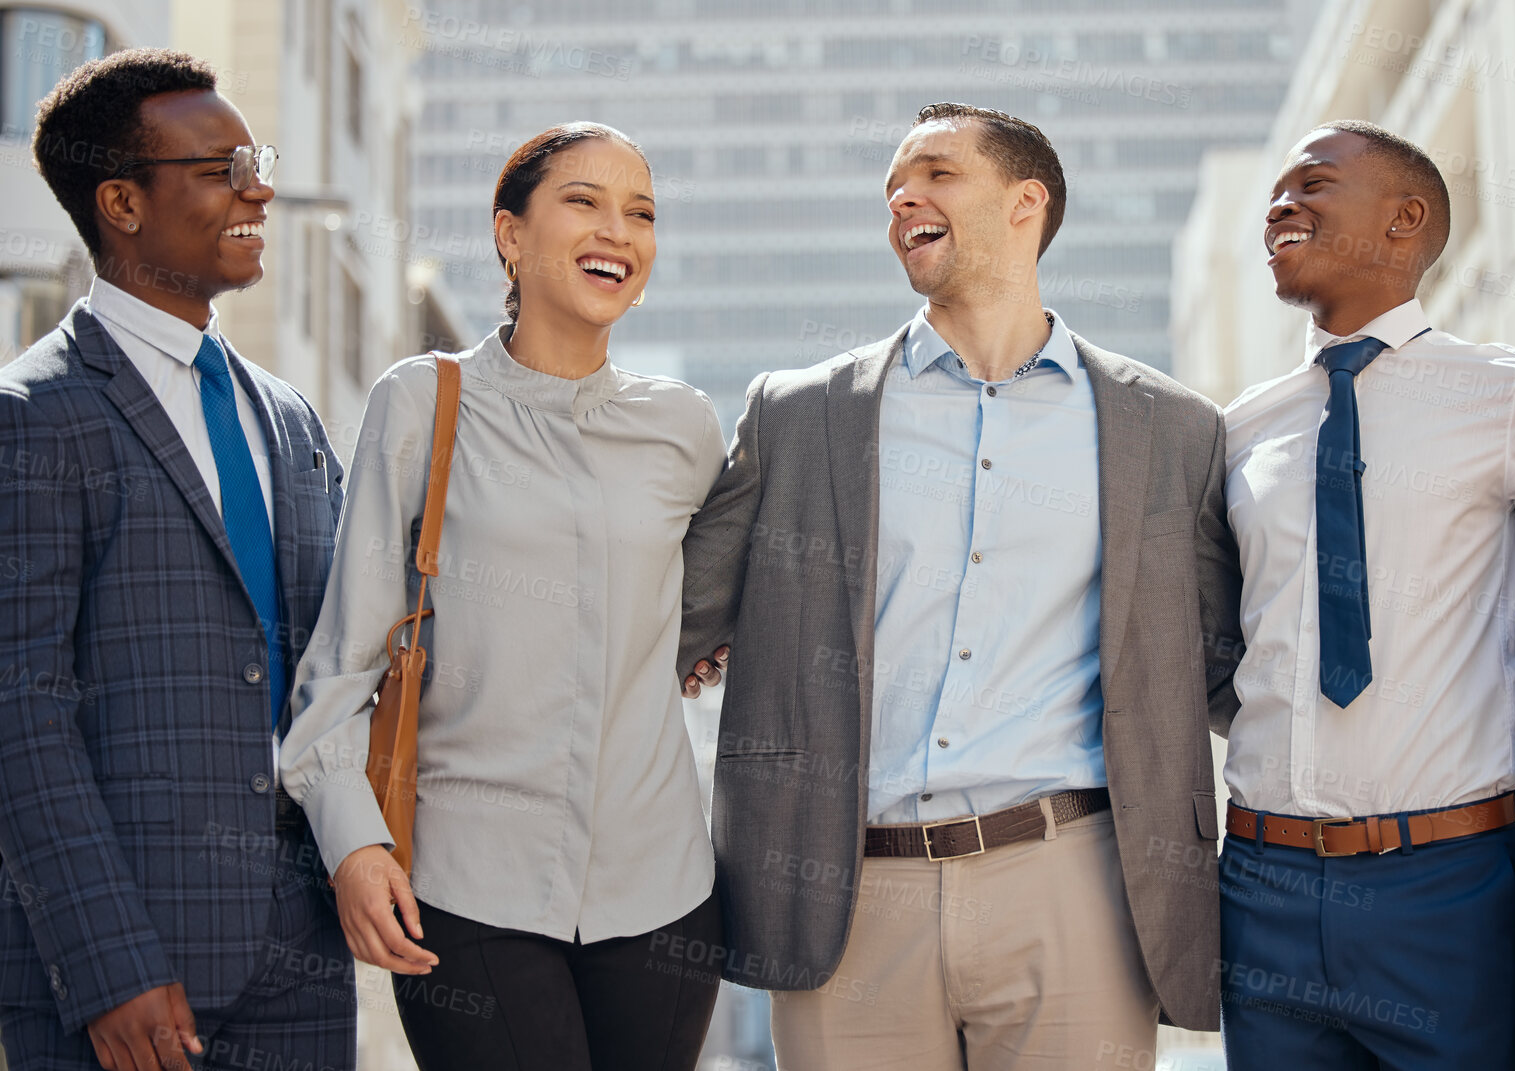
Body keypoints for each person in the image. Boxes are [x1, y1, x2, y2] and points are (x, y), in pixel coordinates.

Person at [676, 102, 1245, 1068]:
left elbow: (1224, 657)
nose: (905, 196)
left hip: (1076, 880)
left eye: (937, 173)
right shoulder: (797, 413)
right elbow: (674, 619)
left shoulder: (1173, 429)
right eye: (894, 186)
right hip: (844, 893)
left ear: (1027, 202)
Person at [280, 122, 722, 1070]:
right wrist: (351, 842)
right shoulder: (422, 403)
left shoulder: (685, 429)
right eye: (583, 202)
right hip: (466, 883)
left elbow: (715, 599)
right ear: (509, 236)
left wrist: (717, 642)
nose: (619, 230)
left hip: (660, 891)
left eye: (640, 213)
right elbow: (344, 654)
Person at [0, 49, 354, 1071]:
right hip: (123, 978)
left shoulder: (285, 415)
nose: (261, 189)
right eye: (221, 169)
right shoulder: (33, 417)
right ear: (121, 202)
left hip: (304, 963)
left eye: (257, 160)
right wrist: (108, 964)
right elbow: (18, 711)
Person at [1215, 120, 1515, 1071]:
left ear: (1403, 219)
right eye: (1275, 194)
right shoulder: (1239, 428)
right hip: (1261, 884)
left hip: (1445, 882)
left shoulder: (1510, 398)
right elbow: (1223, 638)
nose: (1279, 205)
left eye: (1313, 184)